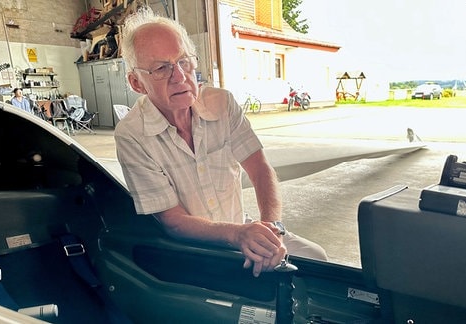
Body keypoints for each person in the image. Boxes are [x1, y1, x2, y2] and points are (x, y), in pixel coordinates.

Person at [114, 7, 327, 277]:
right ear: (137, 83)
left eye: (184, 61)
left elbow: (260, 168)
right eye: (161, 68)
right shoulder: (132, 135)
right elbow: (173, 222)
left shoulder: (222, 103)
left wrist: (270, 229)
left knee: (317, 261)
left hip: (241, 228)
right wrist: (238, 236)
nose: (179, 76)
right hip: (190, 249)